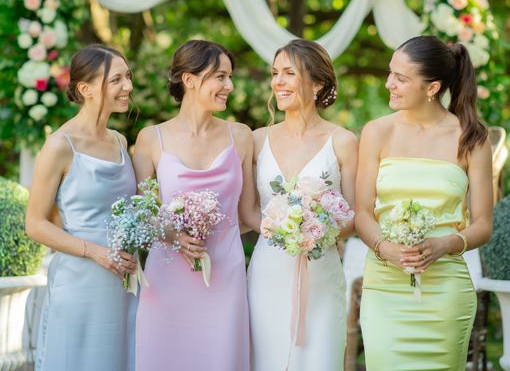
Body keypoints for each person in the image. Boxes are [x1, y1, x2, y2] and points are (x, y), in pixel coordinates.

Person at [355, 35, 493, 370]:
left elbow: (483, 225)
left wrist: (446, 244)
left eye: (401, 79)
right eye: (391, 73)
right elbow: (361, 212)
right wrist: (383, 246)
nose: (390, 83)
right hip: (385, 287)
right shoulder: (376, 132)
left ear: (432, 88)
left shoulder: (471, 138)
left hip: (445, 291)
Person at [132, 40, 252, 371]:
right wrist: (172, 233)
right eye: (220, 76)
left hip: (225, 274)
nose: (229, 86)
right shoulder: (149, 139)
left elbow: (250, 214)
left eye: (229, 77)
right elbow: (143, 214)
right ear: (189, 79)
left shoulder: (240, 136)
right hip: (167, 275)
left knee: (221, 358)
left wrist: (297, 224)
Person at [245, 39, 358, 371]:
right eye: (275, 73)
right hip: (268, 272)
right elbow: (249, 209)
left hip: (321, 275)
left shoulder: (343, 141)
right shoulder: (257, 139)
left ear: (317, 83)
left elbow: (353, 216)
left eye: (289, 73)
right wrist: (279, 229)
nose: (277, 82)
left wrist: (319, 229)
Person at [26, 44, 138, 371]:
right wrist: (97, 252)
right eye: (116, 79)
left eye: (127, 77)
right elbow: (35, 223)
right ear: (86, 89)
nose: (128, 87)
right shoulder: (60, 145)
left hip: (121, 280)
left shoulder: (119, 140)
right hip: (80, 278)